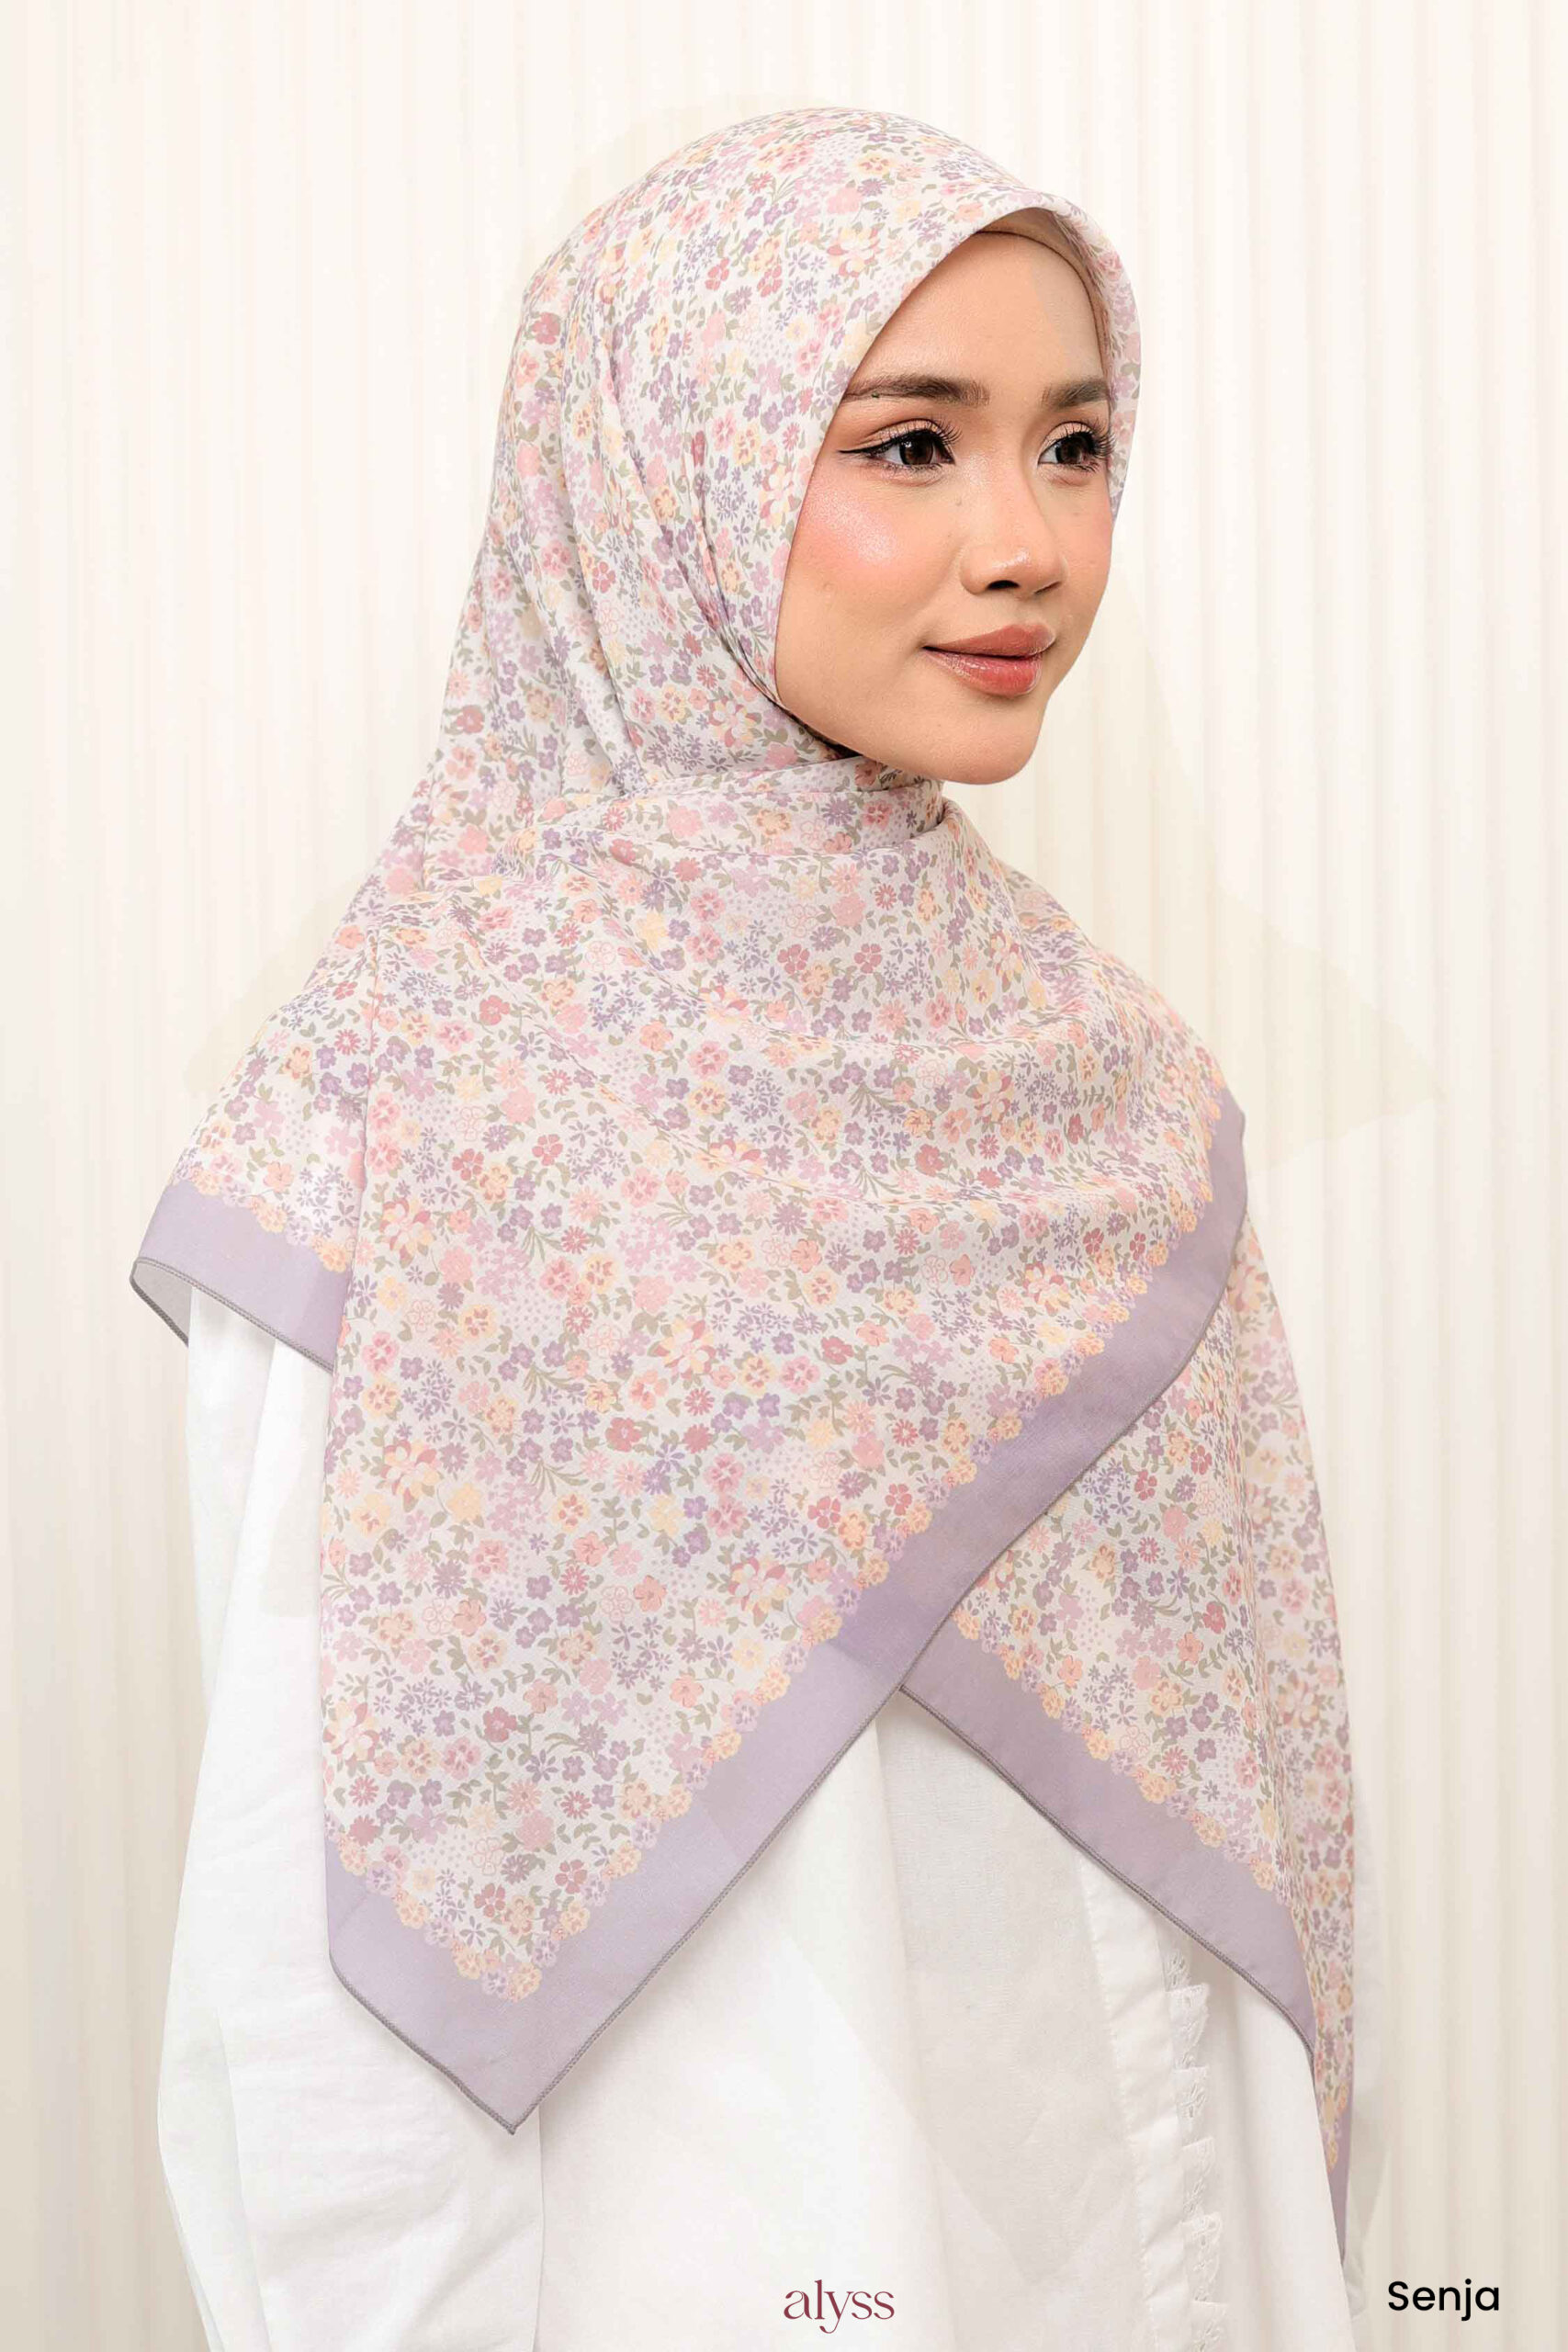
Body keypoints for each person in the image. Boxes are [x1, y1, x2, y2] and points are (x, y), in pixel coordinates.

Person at [135, 106, 1386, 2350]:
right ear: (657, 469)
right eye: (908, 444)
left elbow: (1217, 1857)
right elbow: (311, 1983)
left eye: (1075, 444)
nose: (1024, 543)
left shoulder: (1109, 1086)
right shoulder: (422, 1110)